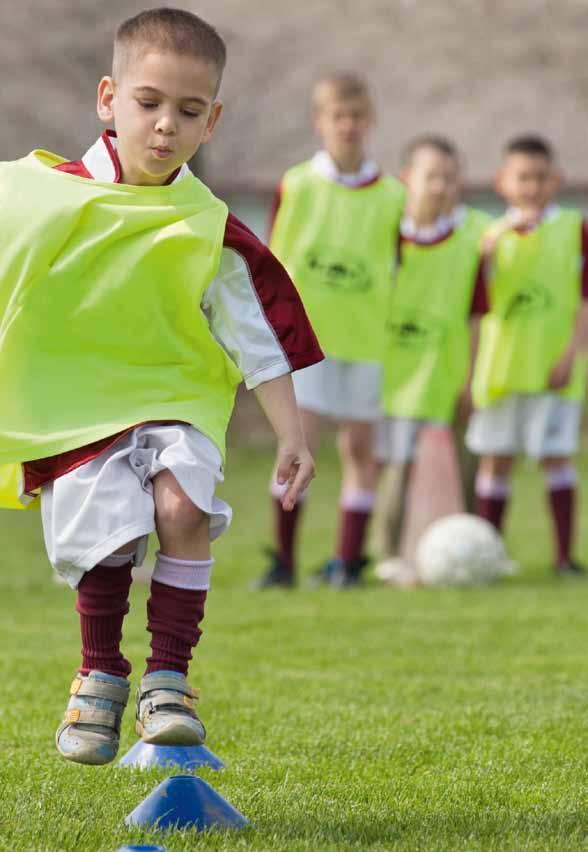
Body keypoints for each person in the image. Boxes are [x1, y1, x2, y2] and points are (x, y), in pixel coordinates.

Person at [0, 7, 323, 765]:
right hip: (74, 414)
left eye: (187, 111)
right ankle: (100, 674)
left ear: (213, 121)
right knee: (109, 541)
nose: (164, 127)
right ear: (109, 99)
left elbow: (259, 340)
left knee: (182, 503)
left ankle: (169, 678)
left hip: (176, 401)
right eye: (148, 104)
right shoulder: (33, 198)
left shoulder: (208, 227)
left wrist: (292, 435)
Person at [257, 72, 405, 588]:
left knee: (360, 452)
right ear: (320, 122)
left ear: (371, 121)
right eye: (338, 116)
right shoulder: (296, 184)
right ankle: (284, 562)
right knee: (297, 448)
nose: (349, 125)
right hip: (306, 344)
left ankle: (346, 562)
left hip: (366, 341)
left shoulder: (392, 194)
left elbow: (401, 266)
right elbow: (273, 261)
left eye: (358, 116)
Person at [467, 135, 588, 576]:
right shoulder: (487, 235)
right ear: (503, 182)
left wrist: (571, 354)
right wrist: (486, 252)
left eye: (540, 178)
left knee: (556, 458)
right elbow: (473, 299)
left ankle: (564, 558)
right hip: (501, 369)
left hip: (554, 368)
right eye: (523, 178)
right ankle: (487, 557)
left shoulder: (574, 229)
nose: (532, 187)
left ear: (555, 181)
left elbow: (583, 301)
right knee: (496, 458)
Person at [373, 136, 489, 581]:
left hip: (447, 371)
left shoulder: (470, 243)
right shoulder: (385, 237)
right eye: (431, 177)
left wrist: (471, 377)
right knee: (394, 466)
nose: (441, 187)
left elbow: (477, 317)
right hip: (391, 372)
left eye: (450, 178)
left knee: (467, 463)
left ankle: (476, 549)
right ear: (407, 179)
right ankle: (386, 554)